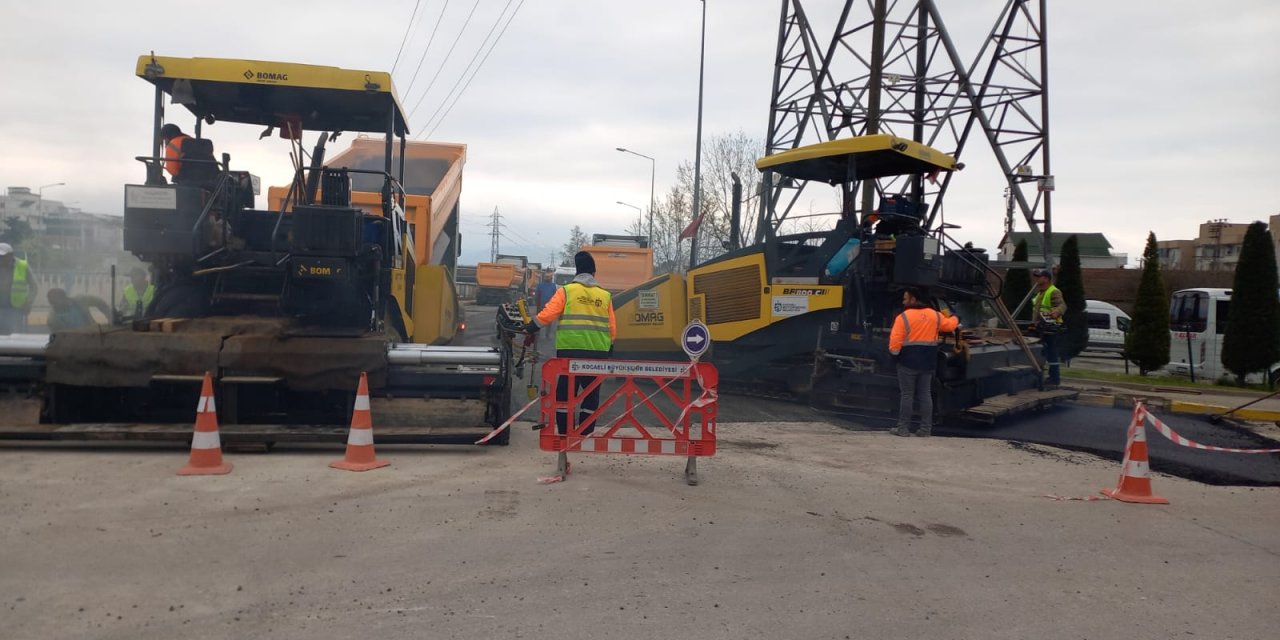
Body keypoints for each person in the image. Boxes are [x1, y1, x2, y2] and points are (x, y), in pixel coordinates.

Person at [525, 251, 616, 435]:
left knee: (565, 394)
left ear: (577, 272)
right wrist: (610, 347)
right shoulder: (605, 296)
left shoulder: (566, 291)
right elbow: (612, 327)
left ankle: (566, 433)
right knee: (591, 394)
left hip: (570, 353)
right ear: (593, 273)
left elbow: (549, 314)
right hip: (598, 353)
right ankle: (586, 432)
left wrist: (532, 325)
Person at [888, 287, 959, 437]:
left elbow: (895, 341)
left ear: (914, 299)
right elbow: (950, 325)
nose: (903, 301)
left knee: (907, 395)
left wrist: (895, 357)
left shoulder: (904, 317)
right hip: (927, 362)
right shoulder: (935, 315)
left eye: (906, 298)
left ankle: (903, 429)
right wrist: (955, 317)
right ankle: (926, 429)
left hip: (907, 362)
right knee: (925, 395)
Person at [1032, 267, 1067, 386]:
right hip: (1041, 327)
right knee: (1041, 353)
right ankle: (1040, 377)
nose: (1036, 279)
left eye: (1038, 277)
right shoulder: (1040, 292)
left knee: (1052, 353)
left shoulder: (1054, 291)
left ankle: (1054, 379)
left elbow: (1062, 305)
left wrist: (1057, 311)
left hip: (1051, 329)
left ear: (1046, 279)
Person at [0, 242, 37, 335]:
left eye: (3, 256)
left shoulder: (22, 266)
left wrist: (28, 302)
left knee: (15, 335)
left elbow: (34, 287)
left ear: (11, 255)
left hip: (16, 309)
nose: (1, 259)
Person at [46, 289, 111, 333]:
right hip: (74, 343)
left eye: (56, 302)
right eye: (52, 303)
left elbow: (99, 302)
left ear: (64, 298)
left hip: (93, 333)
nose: (54, 305)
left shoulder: (80, 300)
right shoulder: (52, 319)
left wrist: (110, 316)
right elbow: (60, 337)